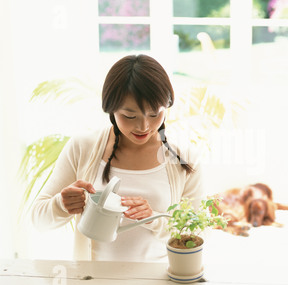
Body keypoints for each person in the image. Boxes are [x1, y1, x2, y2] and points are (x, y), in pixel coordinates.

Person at [31, 54, 204, 262]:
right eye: (129, 116)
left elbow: (196, 237)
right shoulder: (82, 147)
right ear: (111, 110)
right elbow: (38, 220)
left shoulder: (185, 159)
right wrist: (61, 204)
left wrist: (153, 218)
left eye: (154, 114)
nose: (143, 127)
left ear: (166, 107)